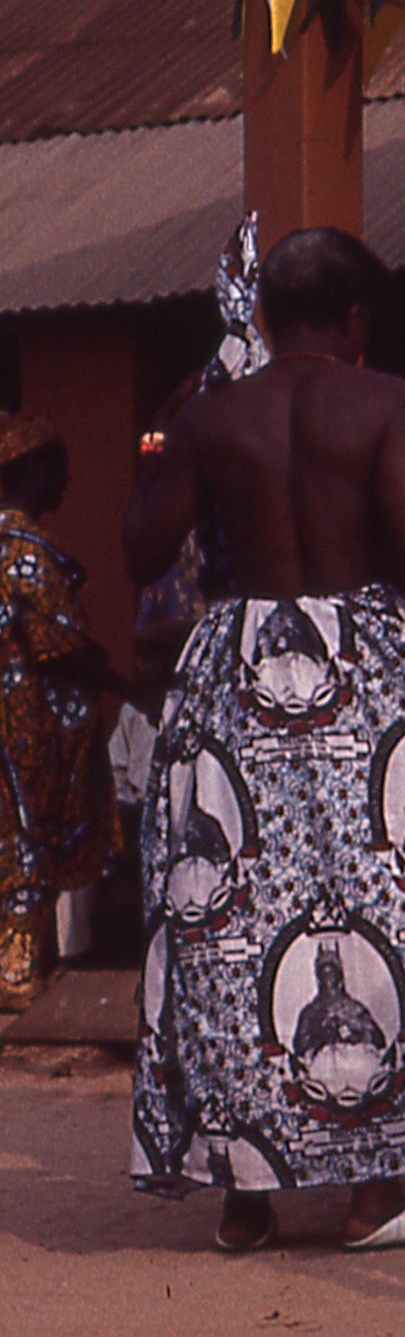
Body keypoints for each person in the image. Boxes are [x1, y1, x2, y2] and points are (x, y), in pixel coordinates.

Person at [122, 229, 405, 1251]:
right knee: (386, 917)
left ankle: (243, 1195)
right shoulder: (385, 399)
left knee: (229, 923)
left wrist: (171, 433)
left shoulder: (210, 415)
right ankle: (373, 1197)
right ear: (353, 318)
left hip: (237, 671)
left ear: (260, 313)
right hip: (359, 675)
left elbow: (142, 551)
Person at [0, 414, 119, 1016]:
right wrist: (130, 687)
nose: (67, 480)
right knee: (30, 834)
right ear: (26, 473)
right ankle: (17, 970)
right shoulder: (25, 554)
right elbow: (61, 647)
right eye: (56, 468)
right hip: (25, 730)